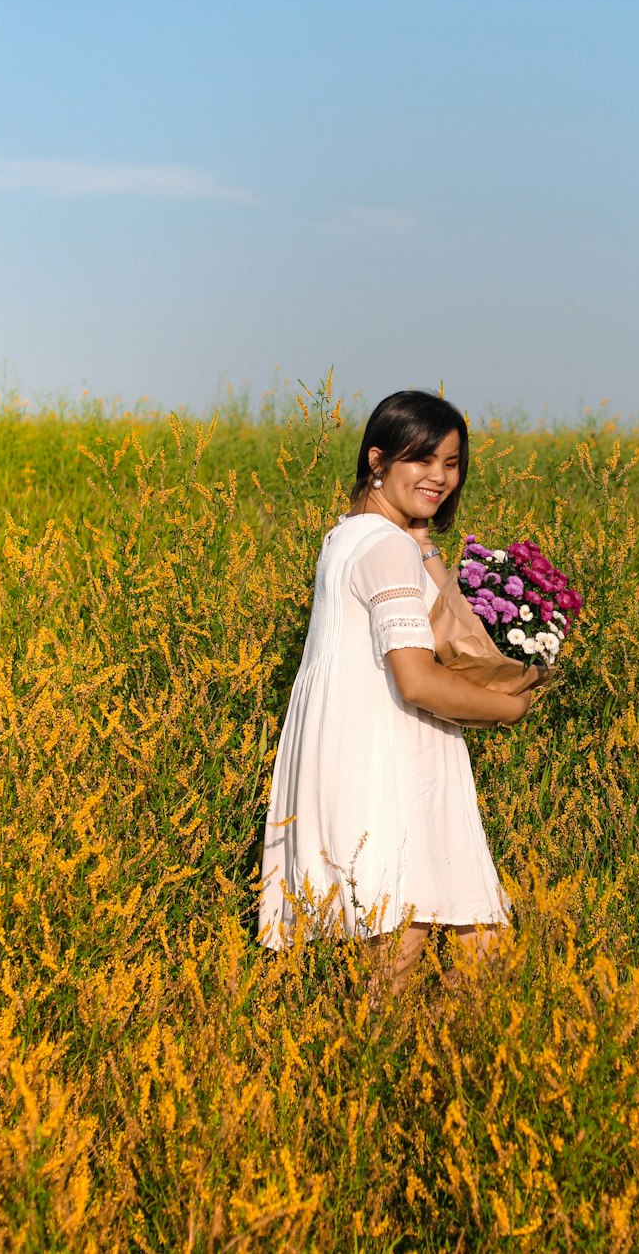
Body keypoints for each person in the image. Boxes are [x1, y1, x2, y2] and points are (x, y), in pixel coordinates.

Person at [257, 389, 531, 997]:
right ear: (378, 460)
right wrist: (509, 706)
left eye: (452, 463)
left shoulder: (350, 537)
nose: (439, 476)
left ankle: (431, 1080)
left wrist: (426, 539)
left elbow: (441, 612)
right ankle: (388, 1084)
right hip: (388, 766)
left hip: (371, 755)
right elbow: (416, 676)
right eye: (421, 460)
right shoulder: (384, 548)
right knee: (405, 971)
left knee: (472, 938)